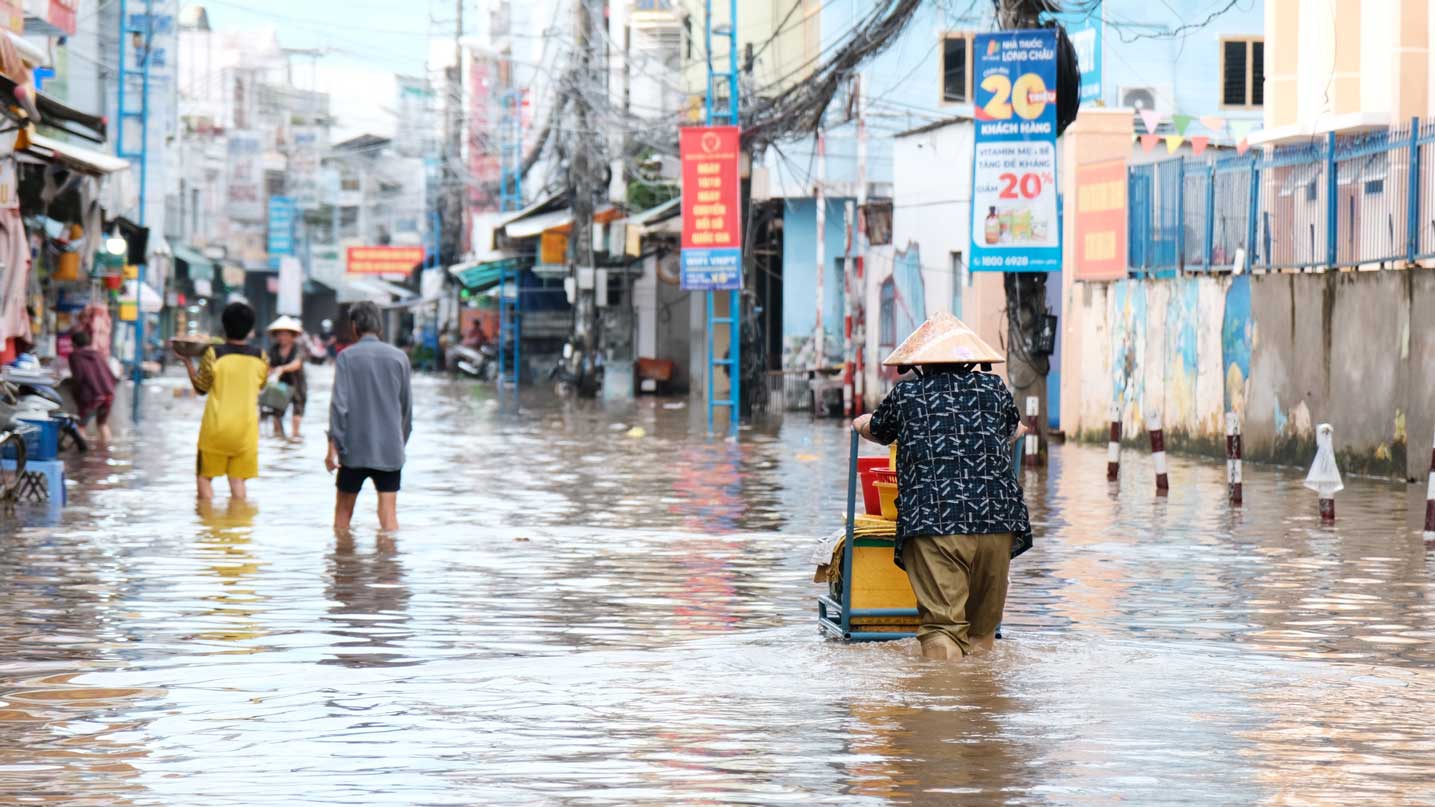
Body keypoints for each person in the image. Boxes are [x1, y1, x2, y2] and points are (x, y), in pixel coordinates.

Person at [852, 312, 1031, 661]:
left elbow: (878, 429)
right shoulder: (994, 389)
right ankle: (979, 704)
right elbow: (1015, 429)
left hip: (936, 521)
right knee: (982, 635)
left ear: (920, 364)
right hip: (998, 521)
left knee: (943, 630)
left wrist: (861, 424)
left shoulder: (907, 395)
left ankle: (942, 708)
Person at [326, 301, 412, 531]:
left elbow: (339, 407)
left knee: (343, 517)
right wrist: (399, 443)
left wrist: (335, 447)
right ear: (380, 327)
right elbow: (406, 409)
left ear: (354, 326)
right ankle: (390, 565)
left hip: (354, 450)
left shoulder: (346, 357)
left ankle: (342, 562)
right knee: (389, 518)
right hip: (390, 450)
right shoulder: (399, 358)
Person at [179, 301, 269, 501]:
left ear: (224, 325)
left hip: (216, 429)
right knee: (237, 482)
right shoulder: (261, 357)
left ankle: (207, 526)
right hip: (246, 431)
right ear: (250, 329)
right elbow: (261, 385)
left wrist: (187, 363)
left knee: (204, 478)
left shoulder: (214, 354)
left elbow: (200, 388)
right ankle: (237, 526)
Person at [66, 328, 115, 445]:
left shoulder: (75, 355)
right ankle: (106, 450)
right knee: (102, 423)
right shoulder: (97, 354)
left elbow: (79, 376)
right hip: (108, 394)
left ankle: (81, 452)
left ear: (73, 343)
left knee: (81, 425)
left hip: (92, 395)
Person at [265, 316, 308, 439]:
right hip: (281, 385)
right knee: (276, 414)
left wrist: (282, 369)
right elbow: (267, 364)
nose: (282, 337)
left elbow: (297, 363)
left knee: (297, 412)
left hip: (297, 384)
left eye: (285, 334)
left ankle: (295, 436)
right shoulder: (273, 349)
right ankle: (278, 438)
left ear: (292, 335)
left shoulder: (297, 348)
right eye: (280, 334)